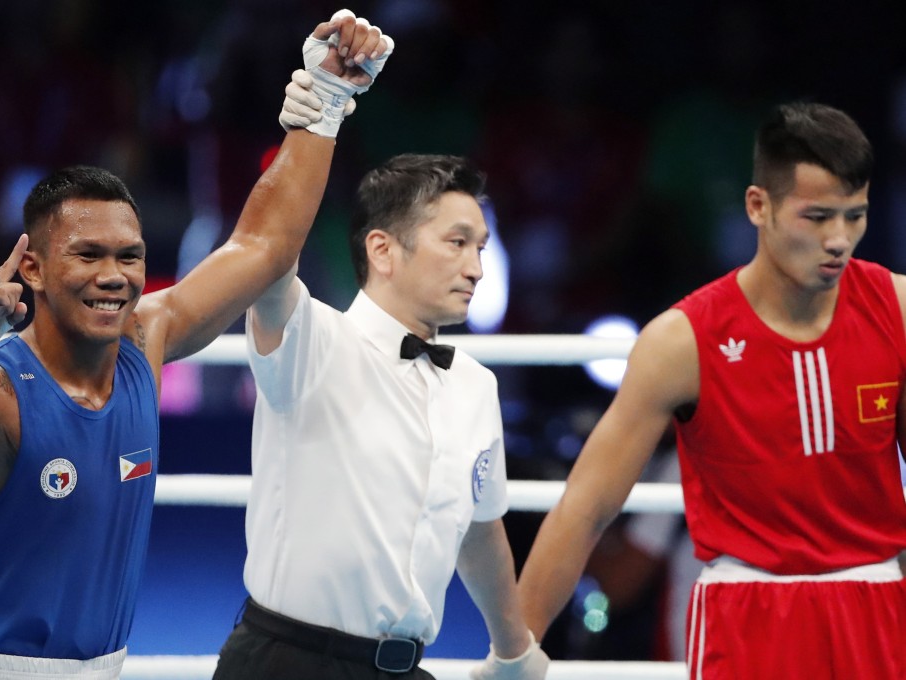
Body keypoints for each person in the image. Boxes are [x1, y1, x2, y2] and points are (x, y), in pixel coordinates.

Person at [0, 10, 393, 679]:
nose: (113, 276)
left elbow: (262, 247)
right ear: (31, 268)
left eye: (128, 256)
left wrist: (326, 103)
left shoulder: (143, 343)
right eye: (88, 255)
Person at [518, 101, 906, 679]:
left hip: (876, 609)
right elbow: (585, 509)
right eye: (818, 216)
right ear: (758, 206)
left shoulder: (896, 309)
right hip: (746, 616)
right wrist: (510, 650)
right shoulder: (684, 341)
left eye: (855, 216)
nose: (839, 239)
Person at [213, 153, 550, 680]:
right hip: (286, 664)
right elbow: (270, 248)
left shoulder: (476, 385)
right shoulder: (311, 340)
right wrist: (319, 113)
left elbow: (480, 531)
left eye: (481, 247)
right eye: (458, 242)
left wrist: (514, 650)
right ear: (383, 250)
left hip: (405, 670)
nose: (477, 268)